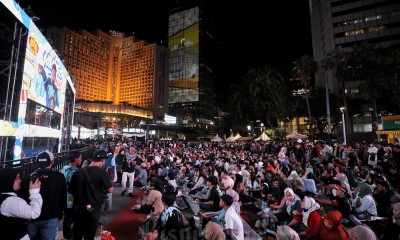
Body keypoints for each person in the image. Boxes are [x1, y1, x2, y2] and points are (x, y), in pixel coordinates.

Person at [19, 150, 67, 240]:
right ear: (52, 162)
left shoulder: (27, 178)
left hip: (30, 218)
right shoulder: (59, 177)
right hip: (51, 217)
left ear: (37, 162)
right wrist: (61, 213)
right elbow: (63, 197)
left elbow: (21, 198)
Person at [69, 150, 114, 240]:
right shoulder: (102, 173)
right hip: (93, 209)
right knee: (89, 235)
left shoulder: (77, 173)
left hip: (78, 208)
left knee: (77, 234)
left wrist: (70, 208)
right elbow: (110, 190)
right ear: (102, 160)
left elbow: (70, 193)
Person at [0, 168, 42, 240]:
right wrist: (34, 191)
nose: (20, 180)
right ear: (7, 180)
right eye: (16, 178)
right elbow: (34, 213)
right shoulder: (10, 201)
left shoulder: (4, 196)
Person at [59, 150, 82, 240]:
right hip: (72, 198)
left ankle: (66, 234)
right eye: (80, 158)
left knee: (67, 216)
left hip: (63, 197)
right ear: (76, 159)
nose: (81, 160)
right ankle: (70, 234)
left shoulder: (63, 168)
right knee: (75, 217)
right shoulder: (75, 171)